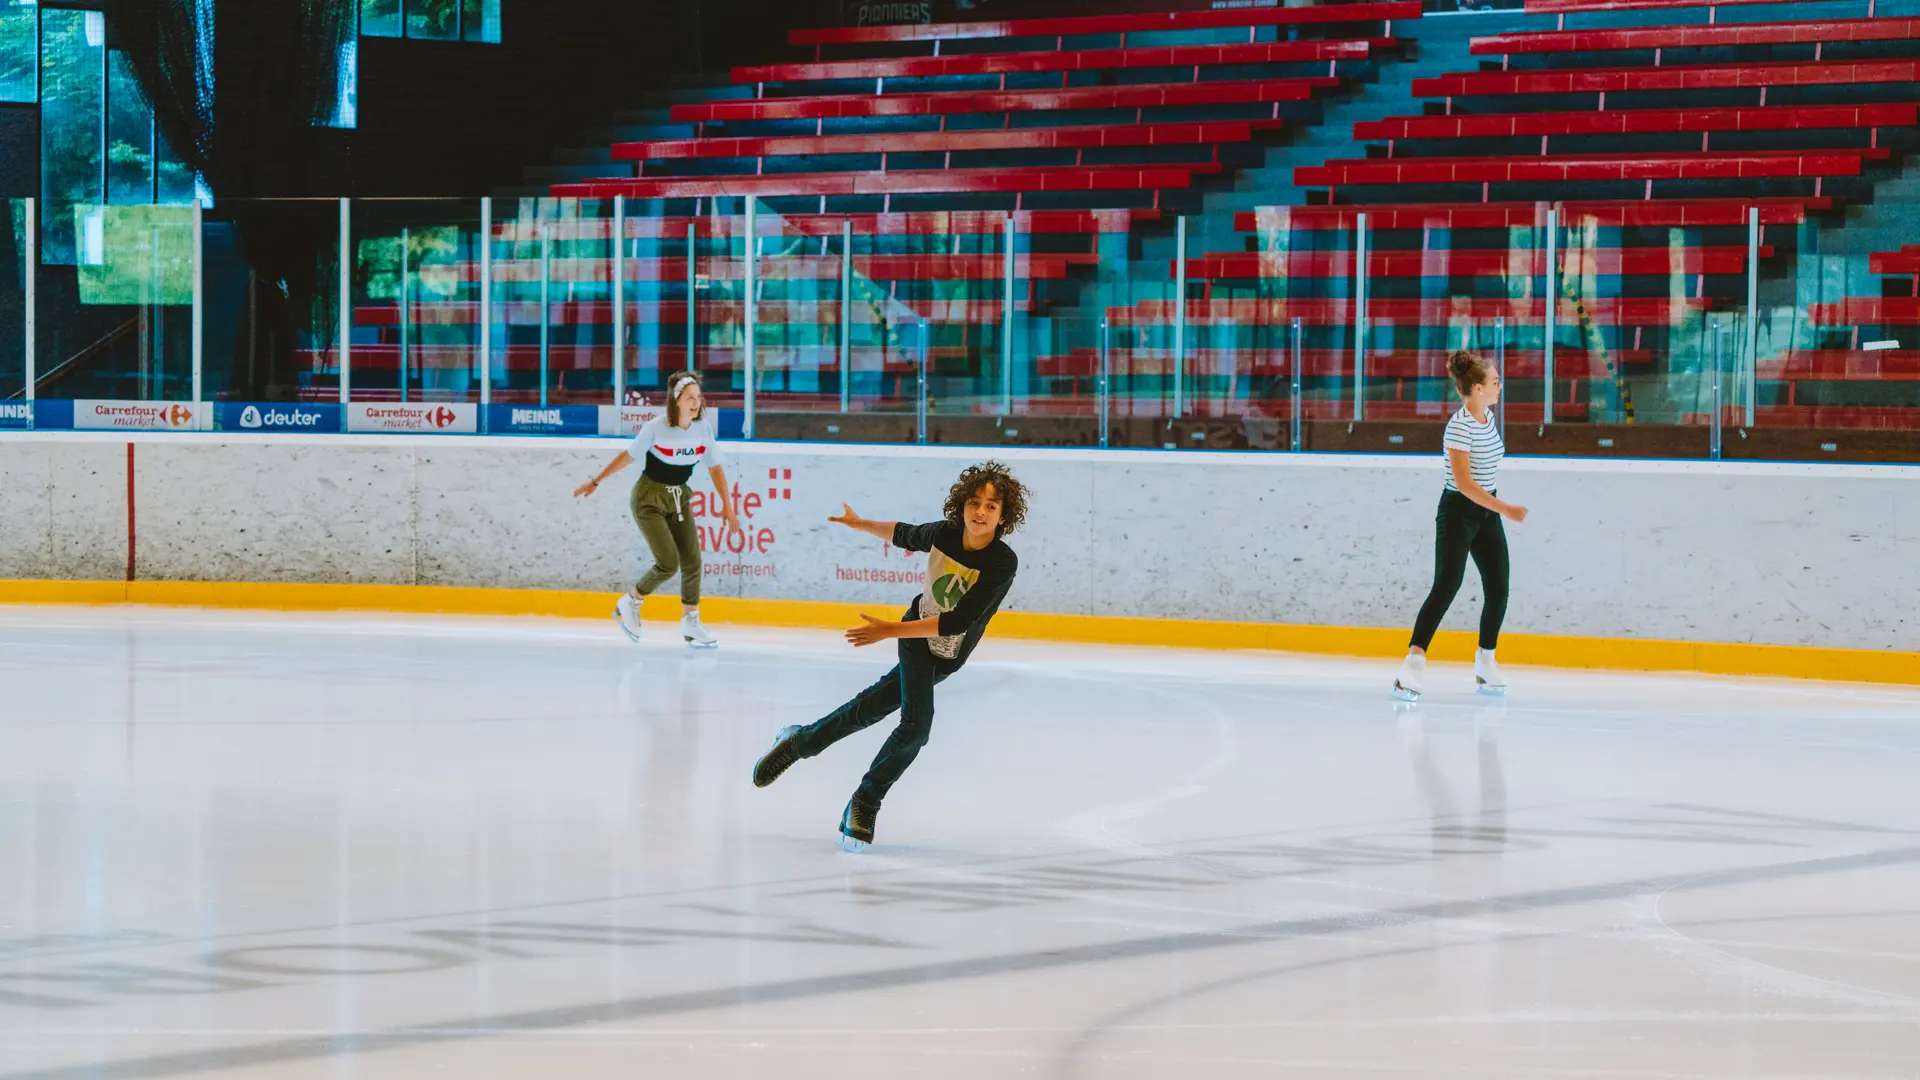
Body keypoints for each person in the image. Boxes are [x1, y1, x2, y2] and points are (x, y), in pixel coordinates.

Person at [751, 461, 1027, 852]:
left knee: (874, 706)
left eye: (991, 506)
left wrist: (887, 631)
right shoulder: (946, 533)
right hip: (916, 635)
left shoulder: (1002, 563)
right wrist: (862, 524)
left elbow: (959, 621)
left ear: (1003, 516)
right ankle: (864, 803)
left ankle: (800, 742)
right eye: (974, 502)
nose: (980, 512)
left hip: (948, 652)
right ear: (962, 504)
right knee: (916, 727)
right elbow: (905, 534)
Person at [1392, 350, 1528, 702]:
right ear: (1478, 388)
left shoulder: (1489, 417)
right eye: (1495, 382)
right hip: (1458, 513)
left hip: (1486, 514)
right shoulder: (1458, 427)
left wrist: (1497, 510)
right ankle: (1412, 665)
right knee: (1447, 585)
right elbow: (1466, 484)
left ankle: (1486, 660)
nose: (1500, 386)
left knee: (1499, 587)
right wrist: (1507, 509)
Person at [574, 371, 740, 647]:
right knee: (669, 563)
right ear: (676, 401)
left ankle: (691, 621)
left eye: (698, 397)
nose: (696, 402)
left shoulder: (703, 428)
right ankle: (630, 602)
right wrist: (596, 481)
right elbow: (627, 457)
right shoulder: (655, 427)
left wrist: (727, 505)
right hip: (648, 499)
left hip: (678, 499)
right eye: (689, 397)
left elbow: (716, 467)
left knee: (692, 561)